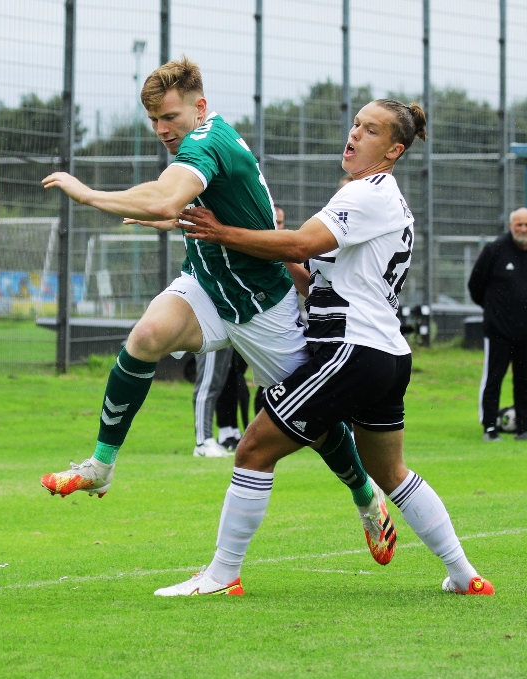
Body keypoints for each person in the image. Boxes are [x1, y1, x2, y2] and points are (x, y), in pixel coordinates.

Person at [39, 57, 392, 563]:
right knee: (146, 337)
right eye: (154, 120)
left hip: (261, 305)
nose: (162, 129)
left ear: (199, 108)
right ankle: (101, 465)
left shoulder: (209, 142)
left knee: (312, 421)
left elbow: (164, 200)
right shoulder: (198, 145)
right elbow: (174, 204)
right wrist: (164, 216)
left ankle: (364, 494)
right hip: (206, 286)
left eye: (170, 117)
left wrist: (89, 194)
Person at [154, 98, 493, 597]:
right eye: (356, 124)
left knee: (253, 449)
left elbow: (297, 244)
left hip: (350, 351)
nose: (354, 134)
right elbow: (311, 277)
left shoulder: (366, 194)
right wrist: (247, 236)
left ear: (394, 150)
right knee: (389, 472)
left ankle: (222, 576)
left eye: (371, 130)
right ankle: (465, 575)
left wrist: (224, 232)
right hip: (385, 355)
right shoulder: (382, 198)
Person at [468, 207, 527, 442]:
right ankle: (490, 427)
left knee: (524, 380)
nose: (523, 229)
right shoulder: (495, 250)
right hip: (498, 331)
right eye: (519, 224)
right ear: (511, 226)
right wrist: (495, 311)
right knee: (493, 379)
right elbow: (475, 285)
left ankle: (524, 428)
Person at [191, 347, 237, 457]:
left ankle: (208, 440)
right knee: (207, 386)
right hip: (211, 339)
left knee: (216, 386)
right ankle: (203, 443)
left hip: (226, 339)